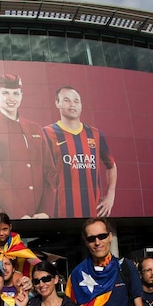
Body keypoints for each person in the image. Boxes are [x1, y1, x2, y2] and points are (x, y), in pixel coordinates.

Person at [0, 74, 56, 218]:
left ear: (21, 96)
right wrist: (19, 213)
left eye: (16, 93)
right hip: (5, 216)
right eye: (5, 93)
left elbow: (50, 172)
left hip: (39, 215)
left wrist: (45, 211)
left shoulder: (35, 128)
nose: (11, 99)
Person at [42, 86, 116, 218]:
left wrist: (110, 196)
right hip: (60, 215)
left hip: (94, 214)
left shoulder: (95, 134)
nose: (72, 105)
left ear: (81, 105)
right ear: (57, 103)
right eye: (66, 100)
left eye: (76, 101)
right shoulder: (46, 133)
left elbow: (111, 165)